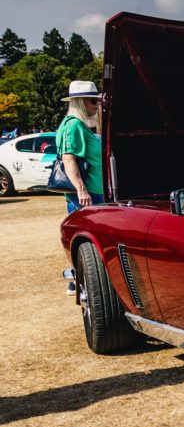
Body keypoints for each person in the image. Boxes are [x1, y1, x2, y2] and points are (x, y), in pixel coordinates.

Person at [56, 80, 103, 293]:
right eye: (93, 101)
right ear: (81, 102)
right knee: (88, 239)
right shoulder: (74, 125)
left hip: (91, 192)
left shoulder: (76, 124)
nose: (96, 105)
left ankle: (78, 280)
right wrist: (82, 190)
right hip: (90, 193)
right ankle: (78, 281)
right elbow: (69, 159)